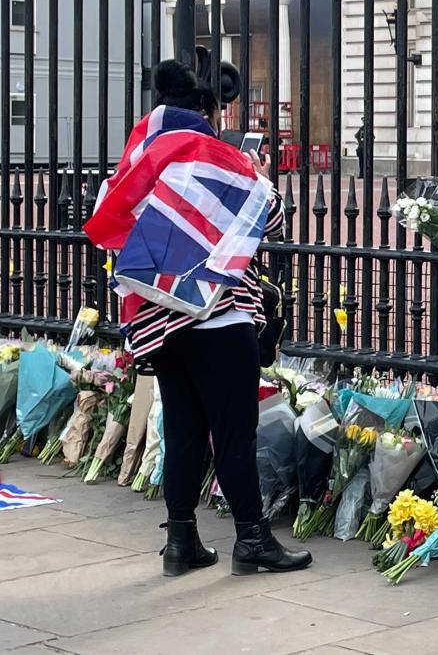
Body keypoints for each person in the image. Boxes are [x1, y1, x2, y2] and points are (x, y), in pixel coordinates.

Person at [95, 59, 312, 577]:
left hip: (161, 322)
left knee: (185, 433)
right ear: (208, 110)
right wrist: (254, 173)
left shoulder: (141, 156)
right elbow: (271, 216)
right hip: (217, 319)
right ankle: (253, 541)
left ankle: (181, 544)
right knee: (234, 434)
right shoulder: (219, 155)